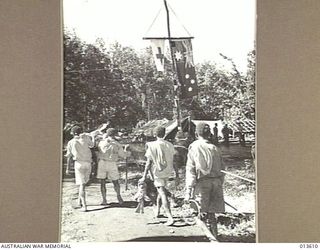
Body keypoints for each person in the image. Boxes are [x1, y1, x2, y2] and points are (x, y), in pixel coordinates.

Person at [185, 122, 225, 237]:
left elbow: (190, 169)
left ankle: (212, 239)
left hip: (202, 184)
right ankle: (215, 235)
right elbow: (223, 168)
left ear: (196, 133)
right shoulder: (215, 148)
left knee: (198, 214)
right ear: (209, 134)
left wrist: (188, 191)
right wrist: (219, 182)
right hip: (216, 182)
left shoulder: (194, 146)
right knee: (211, 213)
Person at [141, 126, 177, 226]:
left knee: (162, 193)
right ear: (164, 134)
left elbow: (148, 162)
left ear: (155, 134)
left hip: (158, 172)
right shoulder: (170, 145)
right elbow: (174, 161)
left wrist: (144, 176)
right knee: (161, 191)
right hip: (168, 171)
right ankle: (157, 211)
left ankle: (170, 217)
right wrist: (177, 173)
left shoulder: (151, 145)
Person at [97, 128, 130, 206]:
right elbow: (123, 155)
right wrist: (126, 150)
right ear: (115, 135)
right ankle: (119, 197)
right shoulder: (117, 144)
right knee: (115, 181)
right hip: (112, 163)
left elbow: (98, 151)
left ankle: (104, 200)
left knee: (102, 182)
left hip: (102, 162)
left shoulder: (101, 143)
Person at [65, 125, 95, 212]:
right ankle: (79, 201)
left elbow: (69, 156)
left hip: (78, 163)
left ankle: (84, 206)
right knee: (83, 184)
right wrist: (92, 136)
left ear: (72, 133)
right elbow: (92, 145)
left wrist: (67, 168)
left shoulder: (71, 142)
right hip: (88, 163)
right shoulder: (86, 139)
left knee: (81, 185)